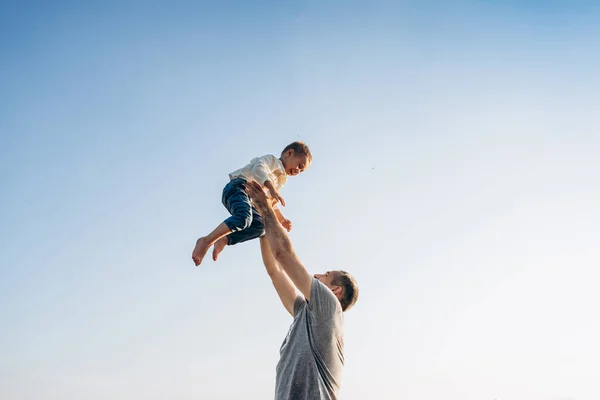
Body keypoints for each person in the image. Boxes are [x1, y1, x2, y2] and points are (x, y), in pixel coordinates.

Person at [246, 179, 359, 400]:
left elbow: (283, 255)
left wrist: (266, 207)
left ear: (335, 291)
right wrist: (261, 222)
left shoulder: (329, 308)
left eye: (324, 276)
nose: (317, 276)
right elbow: (274, 270)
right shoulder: (303, 312)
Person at [191, 142, 312, 266]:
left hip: (250, 199)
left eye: (301, 171)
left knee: (260, 226)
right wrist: (271, 188)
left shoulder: (279, 182)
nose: (298, 171)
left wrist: (282, 220)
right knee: (244, 218)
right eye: (299, 165)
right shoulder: (272, 161)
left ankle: (225, 238)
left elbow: (271, 204)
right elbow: (258, 169)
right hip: (239, 187)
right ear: (289, 153)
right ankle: (206, 241)